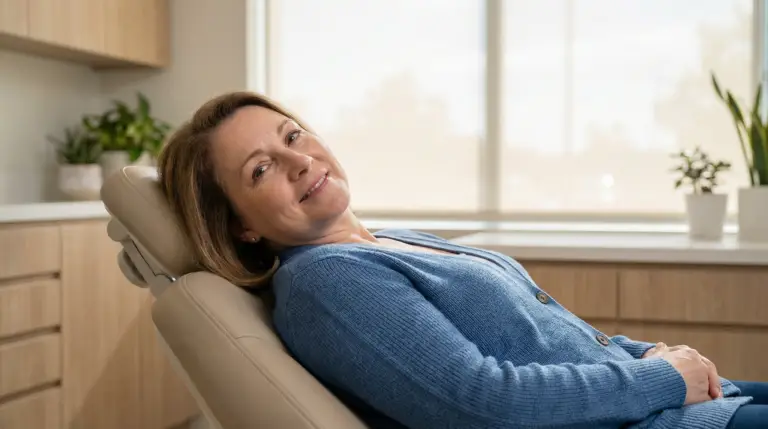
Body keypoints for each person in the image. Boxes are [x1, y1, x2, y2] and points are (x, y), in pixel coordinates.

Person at [156, 91, 768, 429]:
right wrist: (661, 378)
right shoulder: (327, 284)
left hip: (648, 399)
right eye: (260, 169)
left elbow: (547, 337)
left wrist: (649, 355)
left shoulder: (391, 239)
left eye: (292, 135)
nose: (297, 161)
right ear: (240, 224)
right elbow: (479, 402)